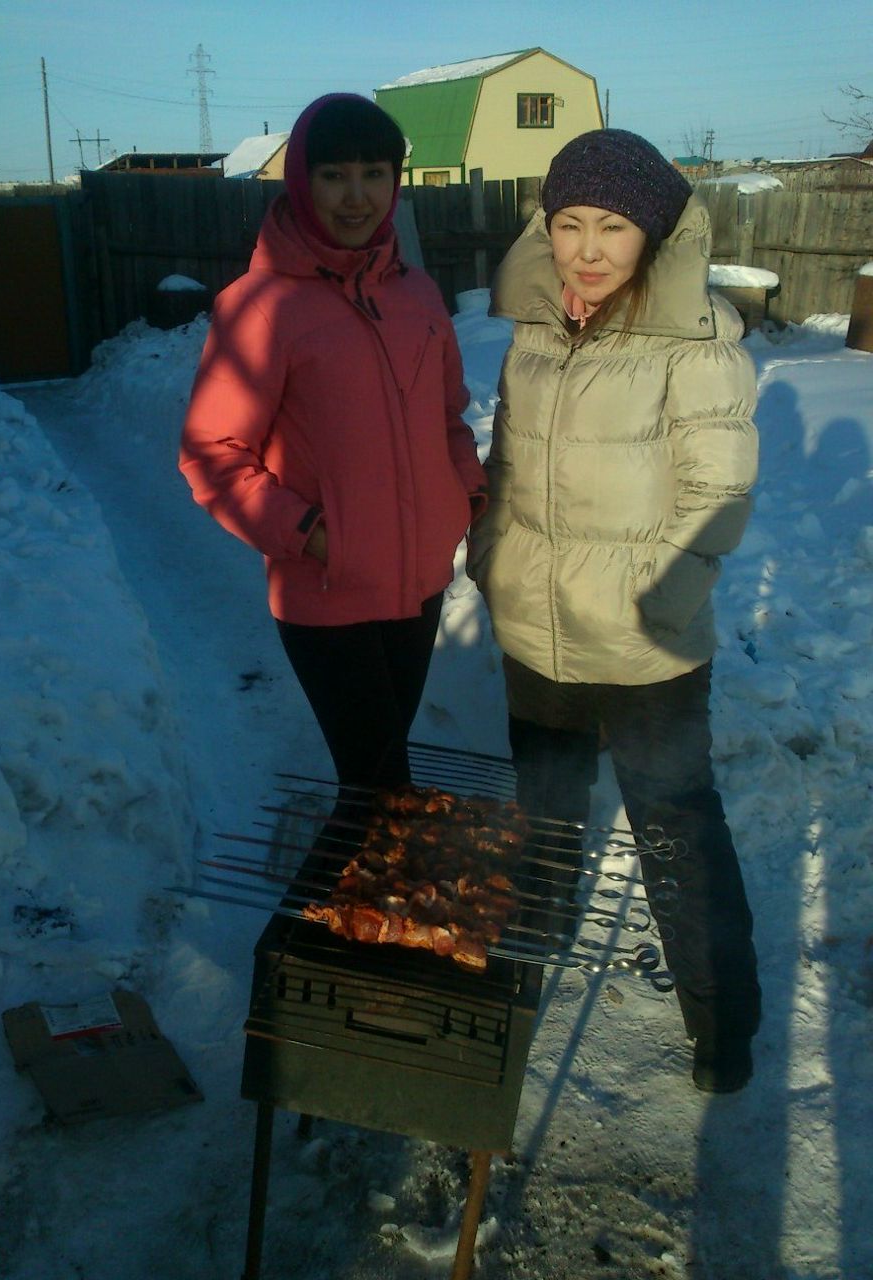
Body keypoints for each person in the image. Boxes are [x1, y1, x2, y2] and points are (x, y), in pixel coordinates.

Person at [467, 129, 761, 1093]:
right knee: (544, 816)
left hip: (648, 651)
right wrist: (491, 555)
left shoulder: (696, 339)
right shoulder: (537, 330)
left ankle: (722, 1031)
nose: (587, 248)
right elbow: (506, 464)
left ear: (656, 232)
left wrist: (655, 611)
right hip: (536, 638)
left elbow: (716, 496)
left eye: (614, 226)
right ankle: (534, 949)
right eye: (569, 223)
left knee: (677, 837)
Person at [179, 94, 486, 802]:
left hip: (419, 585)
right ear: (301, 182)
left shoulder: (417, 295)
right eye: (334, 175)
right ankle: (351, 907)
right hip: (327, 590)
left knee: (378, 776)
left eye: (374, 174)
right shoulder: (260, 306)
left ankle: (367, 902)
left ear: (395, 182)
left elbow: (447, 417)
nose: (356, 196)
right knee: (379, 782)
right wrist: (310, 533)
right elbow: (212, 453)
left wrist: (467, 494)